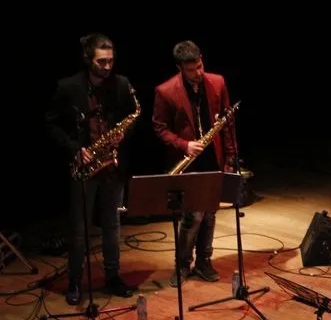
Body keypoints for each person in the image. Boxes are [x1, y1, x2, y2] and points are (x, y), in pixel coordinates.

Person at [45, 33, 137, 305]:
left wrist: (124, 134)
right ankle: (74, 281)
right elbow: (49, 124)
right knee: (79, 229)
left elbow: (131, 118)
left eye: (111, 61)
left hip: (112, 166)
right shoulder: (68, 87)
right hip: (84, 166)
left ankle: (112, 277)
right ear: (88, 60)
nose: (108, 67)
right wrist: (75, 148)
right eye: (102, 62)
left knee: (112, 226)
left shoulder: (120, 85)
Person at [153, 40, 236, 287]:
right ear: (180, 67)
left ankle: (204, 262)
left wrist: (231, 157)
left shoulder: (218, 82)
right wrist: (184, 145)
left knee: (209, 213)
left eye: (200, 66)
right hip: (188, 162)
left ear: (201, 58)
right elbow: (160, 129)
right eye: (191, 70)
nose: (198, 73)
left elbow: (227, 122)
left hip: (213, 159)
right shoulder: (165, 91)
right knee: (192, 217)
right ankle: (182, 265)